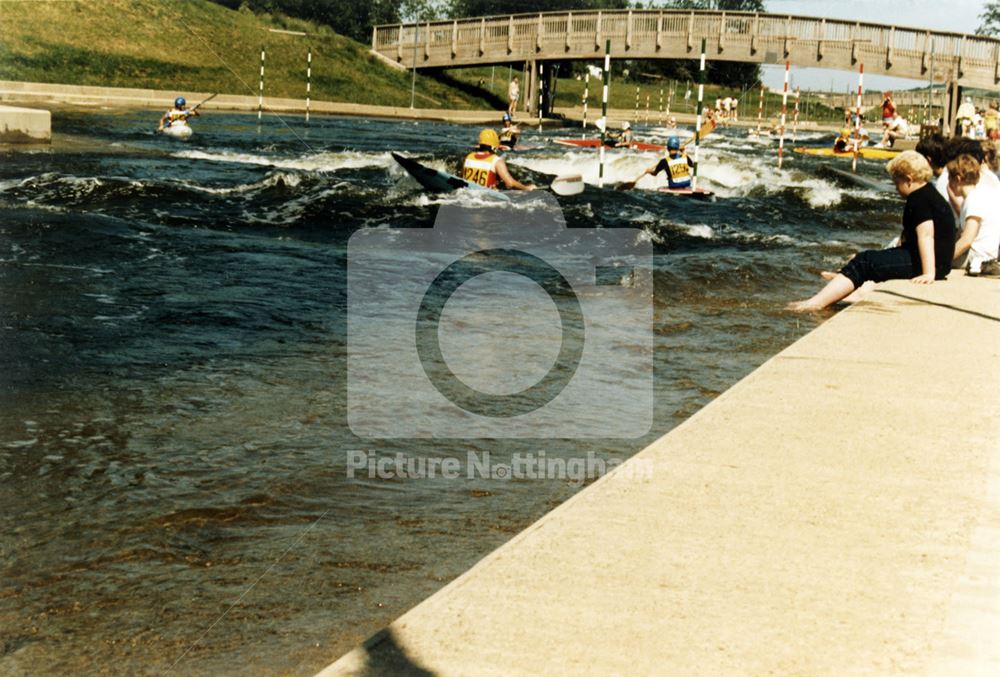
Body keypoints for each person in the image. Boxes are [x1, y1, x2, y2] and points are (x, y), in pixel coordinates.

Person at [788, 151, 955, 311]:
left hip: (931, 264)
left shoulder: (918, 200)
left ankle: (815, 303)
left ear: (909, 180)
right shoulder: (929, 193)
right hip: (940, 261)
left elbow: (926, 235)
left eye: (897, 183)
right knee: (873, 259)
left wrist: (928, 273)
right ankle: (845, 282)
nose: (896, 189)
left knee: (864, 261)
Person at [947, 154, 1000, 274]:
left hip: (975, 257)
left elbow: (967, 240)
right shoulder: (980, 194)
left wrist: (942, 260)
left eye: (949, 179)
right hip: (984, 254)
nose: (948, 184)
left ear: (958, 179)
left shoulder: (973, 200)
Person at [463, 128, 534, 191]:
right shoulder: (496, 161)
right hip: (486, 197)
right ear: (494, 146)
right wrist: (527, 188)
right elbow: (510, 183)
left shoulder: (469, 157)